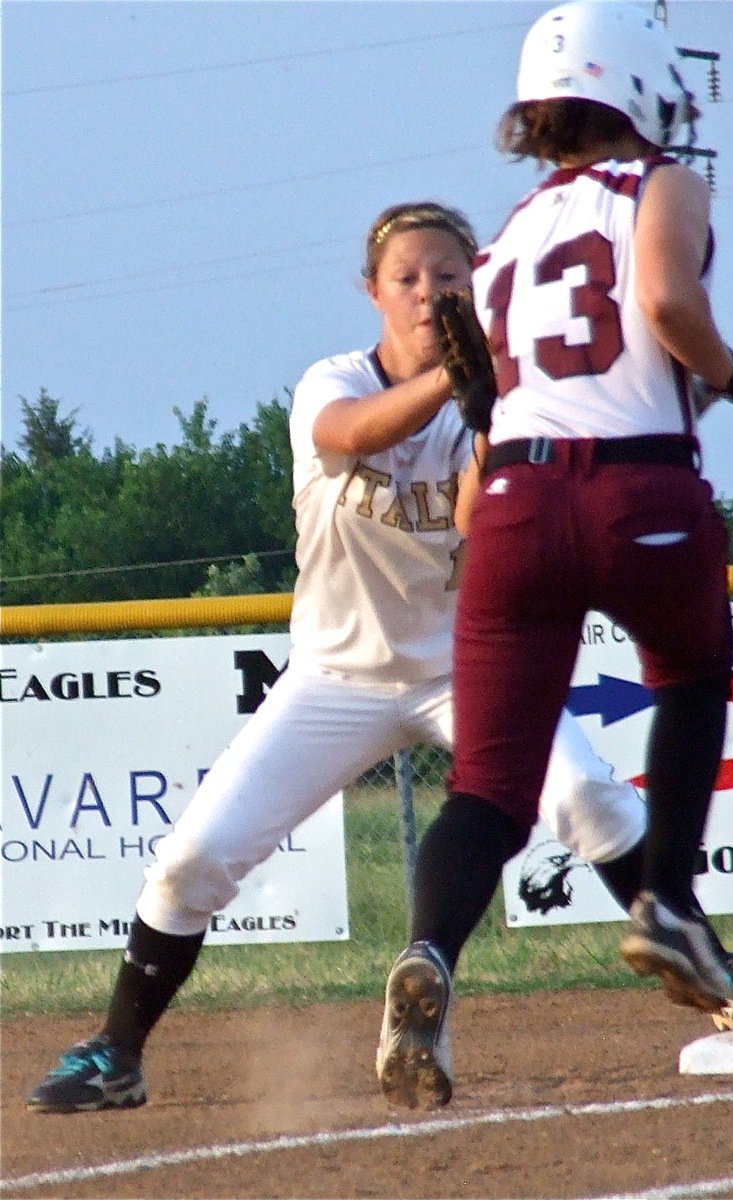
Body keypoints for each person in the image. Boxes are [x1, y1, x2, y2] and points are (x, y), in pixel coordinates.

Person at [27, 200, 655, 1115]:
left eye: (449, 277)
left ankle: (712, 972)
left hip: (470, 668)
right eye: (407, 278)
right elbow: (356, 435)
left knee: (590, 798)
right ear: (372, 291)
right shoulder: (331, 380)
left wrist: (491, 417)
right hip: (334, 676)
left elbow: (484, 527)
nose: (429, 293)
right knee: (189, 863)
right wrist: (456, 383)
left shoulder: (515, 398)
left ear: (477, 286)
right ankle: (115, 1052)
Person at [376, 1, 733, 1111]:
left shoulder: (498, 244)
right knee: (689, 672)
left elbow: (497, 396)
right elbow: (667, 300)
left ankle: (430, 954)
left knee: (488, 783)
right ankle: (666, 902)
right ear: (639, 86)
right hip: (636, 487)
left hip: (518, 504)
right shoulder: (662, 184)